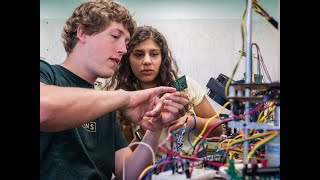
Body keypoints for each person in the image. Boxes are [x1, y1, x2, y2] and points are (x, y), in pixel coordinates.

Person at [40, 1, 189, 180]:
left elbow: (128, 174)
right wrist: (124, 98)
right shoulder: (46, 74)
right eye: (115, 36)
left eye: (126, 42)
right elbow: (43, 109)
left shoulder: (106, 103)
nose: (123, 50)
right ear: (83, 32)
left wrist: (155, 129)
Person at [107, 25, 223, 159]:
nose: (147, 61)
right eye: (138, 54)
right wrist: (146, 130)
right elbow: (126, 161)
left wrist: (189, 121)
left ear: (162, 58)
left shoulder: (182, 83)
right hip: (152, 170)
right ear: (128, 59)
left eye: (154, 54)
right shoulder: (125, 98)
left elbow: (218, 129)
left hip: (193, 167)